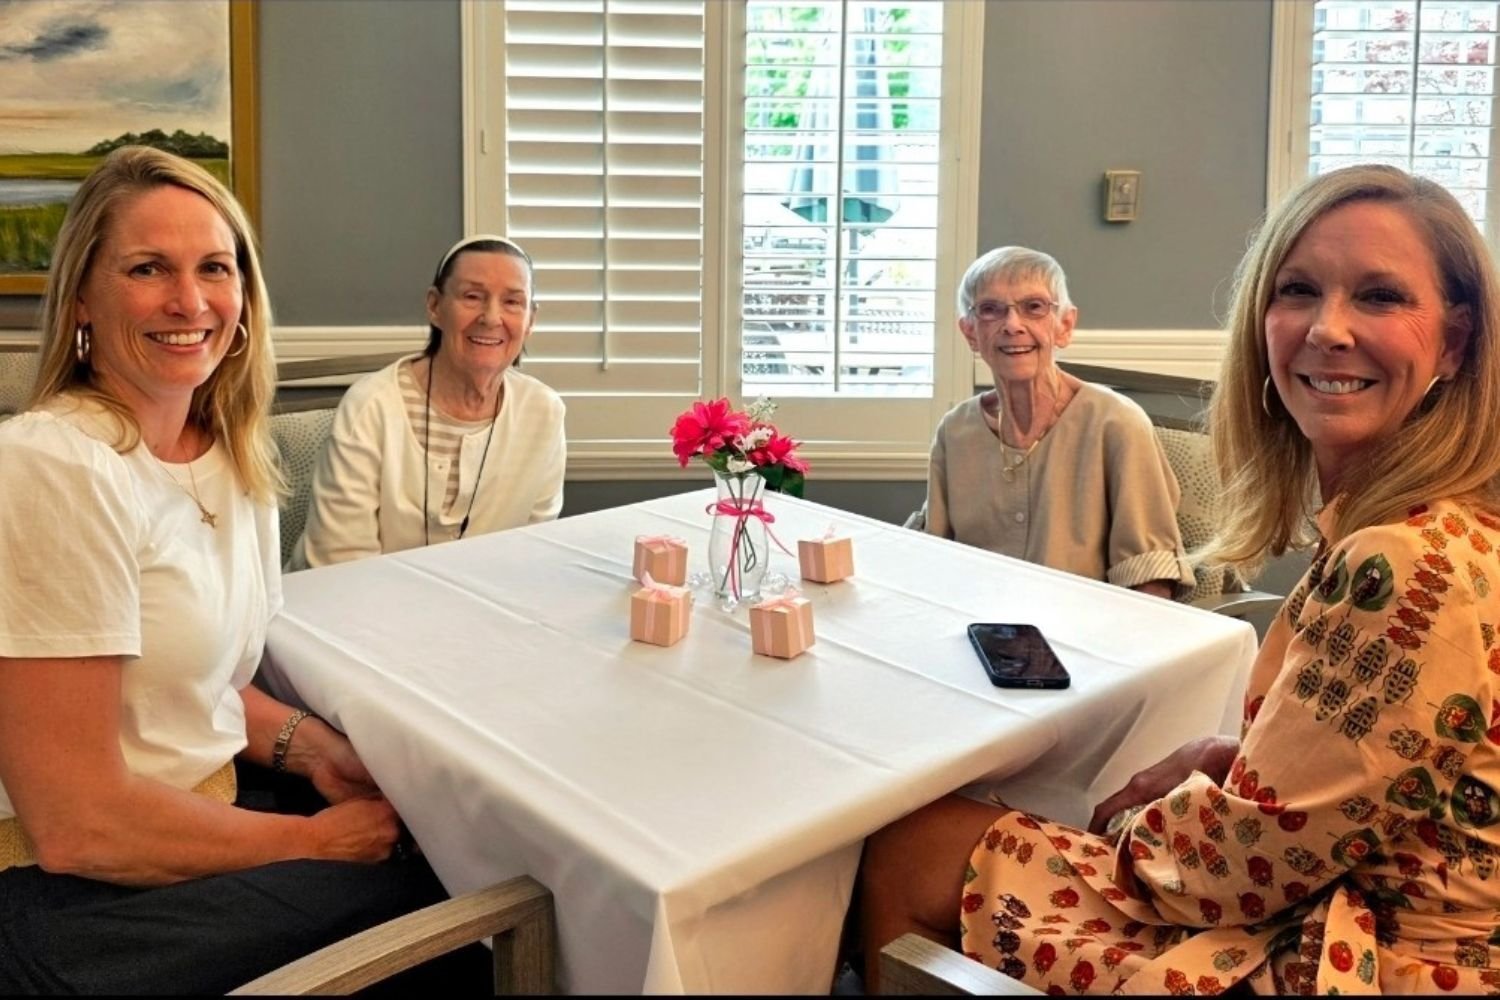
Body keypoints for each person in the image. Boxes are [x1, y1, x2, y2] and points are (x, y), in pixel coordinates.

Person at [858, 165, 1500, 993]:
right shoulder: (957, 431)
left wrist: (1133, 824)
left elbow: (1245, 857)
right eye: (1298, 290)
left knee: (910, 848)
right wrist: (1226, 753)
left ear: (1455, 341)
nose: (1328, 329)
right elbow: (1391, 761)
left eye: (1380, 297)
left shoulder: (1407, 560)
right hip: (1328, 875)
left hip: (1380, 959)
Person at [0, 146, 485, 993]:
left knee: (458, 852)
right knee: (455, 919)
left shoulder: (230, 458)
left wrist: (311, 751)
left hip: (206, 810)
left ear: (245, 298)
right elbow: (78, 823)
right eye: (148, 268)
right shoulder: (56, 465)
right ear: (82, 296)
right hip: (69, 887)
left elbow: (196, 688)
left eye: (214, 268)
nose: (189, 302)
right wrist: (310, 841)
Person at [906, 246, 1193, 599]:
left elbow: (1150, 579)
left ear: (1064, 326)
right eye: (991, 310)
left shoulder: (1116, 424)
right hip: (978, 627)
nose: (1013, 325)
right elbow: (932, 555)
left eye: (1034, 308)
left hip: (1086, 633)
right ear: (970, 333)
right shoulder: (956, 432)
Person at [288, 235, 566, 569]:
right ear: (435, 306)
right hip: (351, 604)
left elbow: (531, 550)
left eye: (512, 302)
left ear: (531, 320)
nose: (491, 317)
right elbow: (342, 563)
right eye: (472, 296)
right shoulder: (371, 407)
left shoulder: (544, 413)